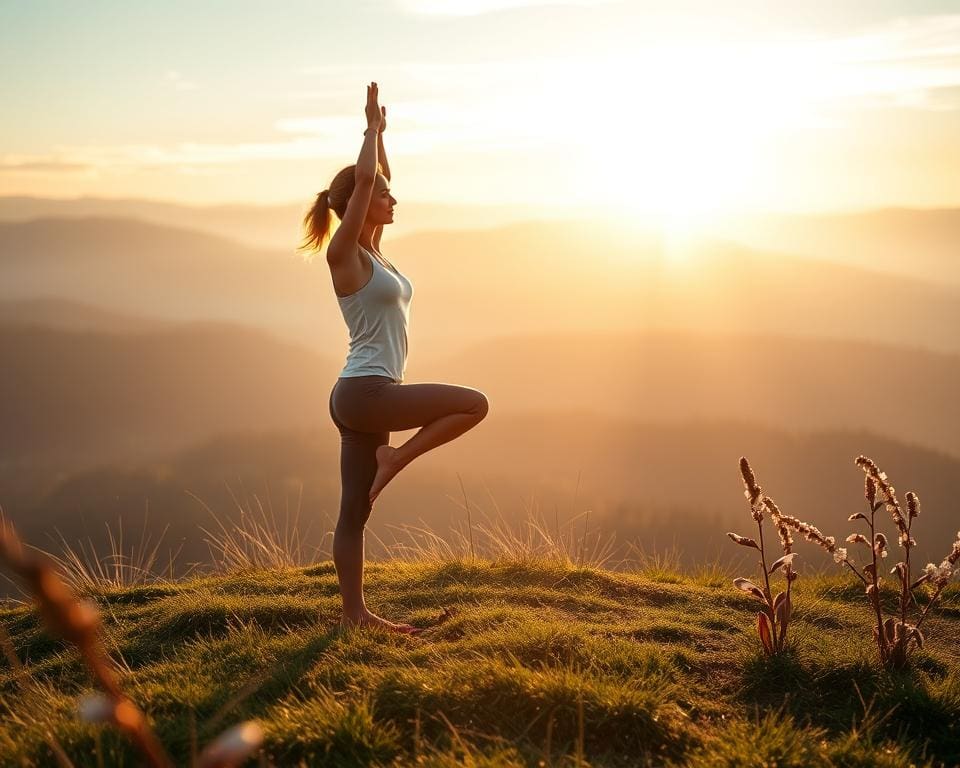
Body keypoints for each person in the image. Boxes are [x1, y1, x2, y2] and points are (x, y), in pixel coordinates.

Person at [301, 82, 490, 633]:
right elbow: (364, 180)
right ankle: (396, 461)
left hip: (360, 397)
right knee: (474, 405)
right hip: (366, 393)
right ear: (359, 203)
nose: (392, 198)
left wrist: (383, 143)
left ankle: (355, 616)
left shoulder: (376, 251)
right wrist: (369, 130)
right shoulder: (344, 254)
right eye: (383, 196)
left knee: (354, 514)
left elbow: (377, 179)